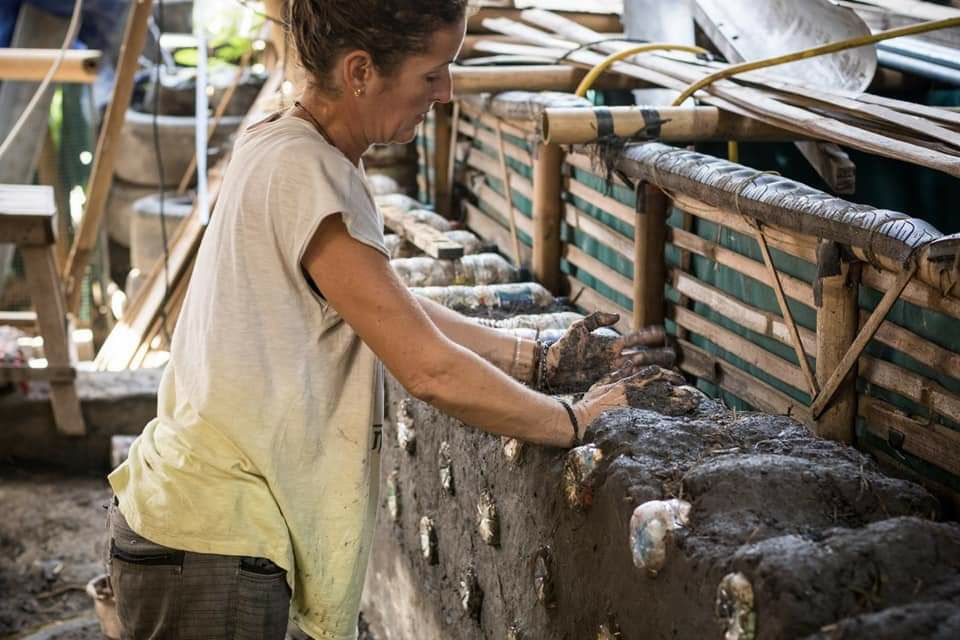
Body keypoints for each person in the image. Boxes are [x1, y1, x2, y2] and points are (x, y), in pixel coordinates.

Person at [104, 1, 674, 638]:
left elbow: (387, 306)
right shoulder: (308, 173)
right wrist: (574, 420)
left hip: (188, 526)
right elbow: (426, 368)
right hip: (207, 541)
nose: (446, 91)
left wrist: (532, 358)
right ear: (360, 72)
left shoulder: (279, 141)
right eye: (432, 73)